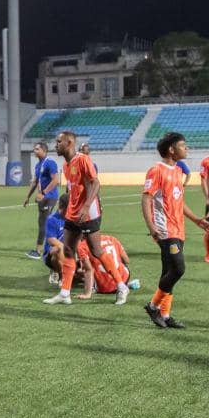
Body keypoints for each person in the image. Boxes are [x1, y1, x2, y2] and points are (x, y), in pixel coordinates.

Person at [43, 130, 130, 306]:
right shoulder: (66, 166)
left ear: (69, 143)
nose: (56, 145)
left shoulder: (82, 159)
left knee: (96, 251)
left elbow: (95, 183)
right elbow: (74, 190)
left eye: (59, 142)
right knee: (68, 250)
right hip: (73, 212)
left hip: (89, 212)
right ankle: (65, 292)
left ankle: (121, 286)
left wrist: (86, 206)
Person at [141, 132, 209, 328]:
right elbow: (146, 198)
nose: (186, 148)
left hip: (178, 229)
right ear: (171, 149)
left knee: (169, 271)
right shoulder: (156, 170)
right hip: (165, 230)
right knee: (179, 269)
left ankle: (165, 316)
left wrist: (197, 220)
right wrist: (152, 226)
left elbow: (179, 202)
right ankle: (153, 305)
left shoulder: (177, 171)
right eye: (183, 145)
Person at [22, 141, 59, 259]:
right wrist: (28, 196)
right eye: (34, 149)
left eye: (37, 149)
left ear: (44, 150)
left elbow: (55, 180)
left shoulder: (50, 162)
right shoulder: (38, 165)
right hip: (43, 198)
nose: (35, 151)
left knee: (44, 222)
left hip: (50, 197)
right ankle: (49, 248)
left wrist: (43, 193)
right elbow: (35, 182)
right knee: (43, 222)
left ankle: (38, 251)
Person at [75, 235, 140, 299]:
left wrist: (87, 293)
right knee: (119, 263)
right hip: (124, 278)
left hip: (104, 287)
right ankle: (125, 284)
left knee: (80, 271)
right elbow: (126, 260)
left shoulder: (82, 246)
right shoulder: (111, 238)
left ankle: (92, 288)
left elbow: (88, 270)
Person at [41, 193, 69, 285]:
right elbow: (52, 241)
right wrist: (69, 251)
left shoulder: (72, 219)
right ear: (62, 206)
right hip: (52, 255)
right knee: (58, 249)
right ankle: (59, 275)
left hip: (69, 253)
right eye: (69, 209)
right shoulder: (52, 219)